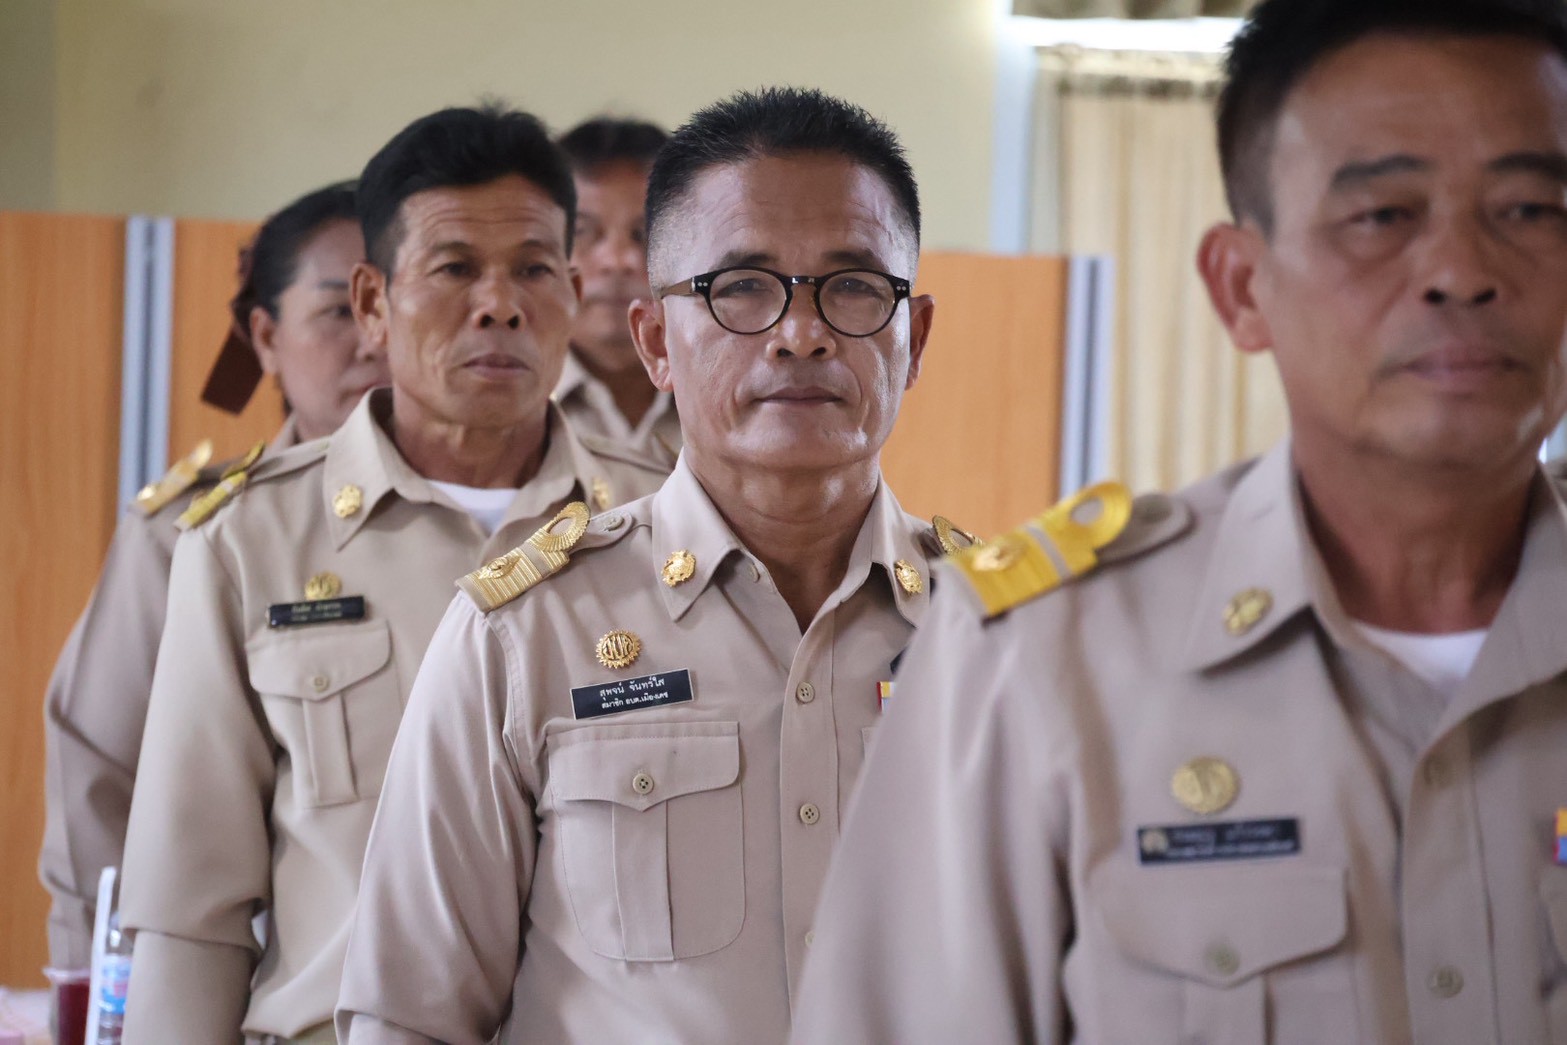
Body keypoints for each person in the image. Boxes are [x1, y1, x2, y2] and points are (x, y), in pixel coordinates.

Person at [791, 0, 1567, 1042]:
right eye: (1383, 216)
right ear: (1241, 286)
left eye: (1530, 210)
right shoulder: (1037, 653)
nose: (1462, 272)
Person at [335, 87, 972, 1043]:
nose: (801, 332)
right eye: (742, 286)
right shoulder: (525, 634)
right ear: (654, 342)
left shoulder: (1008, 631)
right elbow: (412, 1015)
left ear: (912, 339)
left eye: (851, 286)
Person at [117, 104, 668, 1043]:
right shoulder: (251, 540)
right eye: (454, 268)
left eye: (535, 269)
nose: (500, 304)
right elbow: (189, 912)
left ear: (574, 293)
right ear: (373, 302)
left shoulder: (662, 528)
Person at [37, 180, 385, 973]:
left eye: (389, 307)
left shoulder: (519, 520)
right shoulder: (193, 529)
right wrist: (101, 988)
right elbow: (102, 778)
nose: (374, 340)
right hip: (241, 983)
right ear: (266, 335)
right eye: (340, 309)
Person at [552, 116, 682, 464]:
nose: (618, 260)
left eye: (645, 234)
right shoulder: (503, 402)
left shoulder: (731, 392)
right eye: (582, 232)